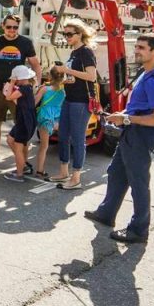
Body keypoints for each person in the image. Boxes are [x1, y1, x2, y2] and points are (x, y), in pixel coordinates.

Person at [85, 33, 154, 243]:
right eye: (137, 47)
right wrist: (122, 116)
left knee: (138, 183)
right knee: (116, 173)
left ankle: (138, 230)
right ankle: (106, 213)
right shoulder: (147, 73)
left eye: (141, 47)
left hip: (140, 134)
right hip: (132, 131)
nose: (136, 51)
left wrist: (125, 119)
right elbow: (139, 107)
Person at [0, 15, 40, 165]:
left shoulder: (25, 43)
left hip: (17, 92)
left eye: (15, 27)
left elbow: (36, 66)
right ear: (3, 27)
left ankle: (23, 163)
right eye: (9, 27)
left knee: (21, 125)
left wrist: (35, 85)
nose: (12, 30)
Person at [53, 19, 98, 190]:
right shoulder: (74, 52)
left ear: (80, 35)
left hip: (81, 101)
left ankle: (76, 177)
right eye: (65, 34)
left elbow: (91, 76)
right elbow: (75, 77)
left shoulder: (86, 52)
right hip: (70, 98)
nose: (67, 37)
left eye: (70, 34)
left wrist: (67, 71)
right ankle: (64, 172)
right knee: (63, 135)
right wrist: (63, 76)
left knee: (78, 139)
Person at [3, 65, 38, 182]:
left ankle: (19, 174)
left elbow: (8, 97)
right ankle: (23, 164)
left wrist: (11, 83)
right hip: (23, 120)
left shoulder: (23, 89)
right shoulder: (27, 88)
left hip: (24, 121)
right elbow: (20, 103)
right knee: (10, 139)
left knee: (18, 148)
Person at [33, 65, 66, 180]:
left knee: (44, 146)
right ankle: (64, 170)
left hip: (45, 117)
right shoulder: (63, 89)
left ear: (49, 76)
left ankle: (40, 170)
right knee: (64, 143)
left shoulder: (44, 89)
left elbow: (34, 103)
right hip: (58, 118)